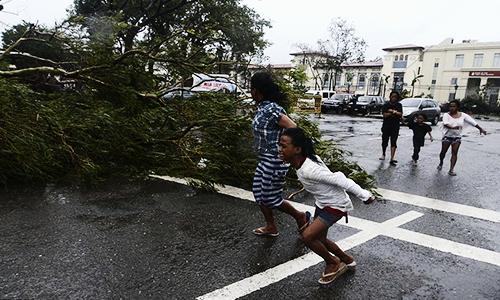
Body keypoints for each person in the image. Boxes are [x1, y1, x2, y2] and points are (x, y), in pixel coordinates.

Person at [278, 127, 375, 285]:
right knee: (320, 239)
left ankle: (332, 262)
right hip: (323, 203)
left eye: (284, 146)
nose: (280, 149)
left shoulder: (309, 169)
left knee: (308, 236)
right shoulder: (304, 159)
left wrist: (365, 195)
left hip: (335, 205)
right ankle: (346, 259)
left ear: (297, 149)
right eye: (280, 145)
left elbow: (340, 179)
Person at [250, 71, 310, 237]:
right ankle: (271, 227)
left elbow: (293, 126)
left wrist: (285, 149)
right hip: (265, 159)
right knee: (258, 193)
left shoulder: (271, 109)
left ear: (255, 90)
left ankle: (300, 216)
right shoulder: (263, 107)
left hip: (275, 160)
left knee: (270, 198)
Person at [437, 100, 487, 176]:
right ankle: (441, 162)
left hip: (457, 137)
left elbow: (472, 122)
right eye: (450, 106)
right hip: (447, 136)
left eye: (454, 106)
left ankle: (451, 169)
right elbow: (446, 124)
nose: (452, 108)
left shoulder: (463, 115)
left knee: (454, 153)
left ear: (457, 107)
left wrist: (480, 129)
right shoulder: (446, 115)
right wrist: (453, 127)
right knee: (443, 152)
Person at [380, 91, 403, 165]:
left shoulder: (399, 105)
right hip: (386, 125)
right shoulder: (386, 105)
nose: (394, 98)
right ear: (390, 97)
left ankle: (392, 157)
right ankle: (383, 154)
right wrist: (394, 113)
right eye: (392, 96)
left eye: (395, 97)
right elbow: (385, 115)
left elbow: (400, 114)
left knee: (393, 141)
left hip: (395, 126)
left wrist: (392, 112)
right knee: (385, 140)